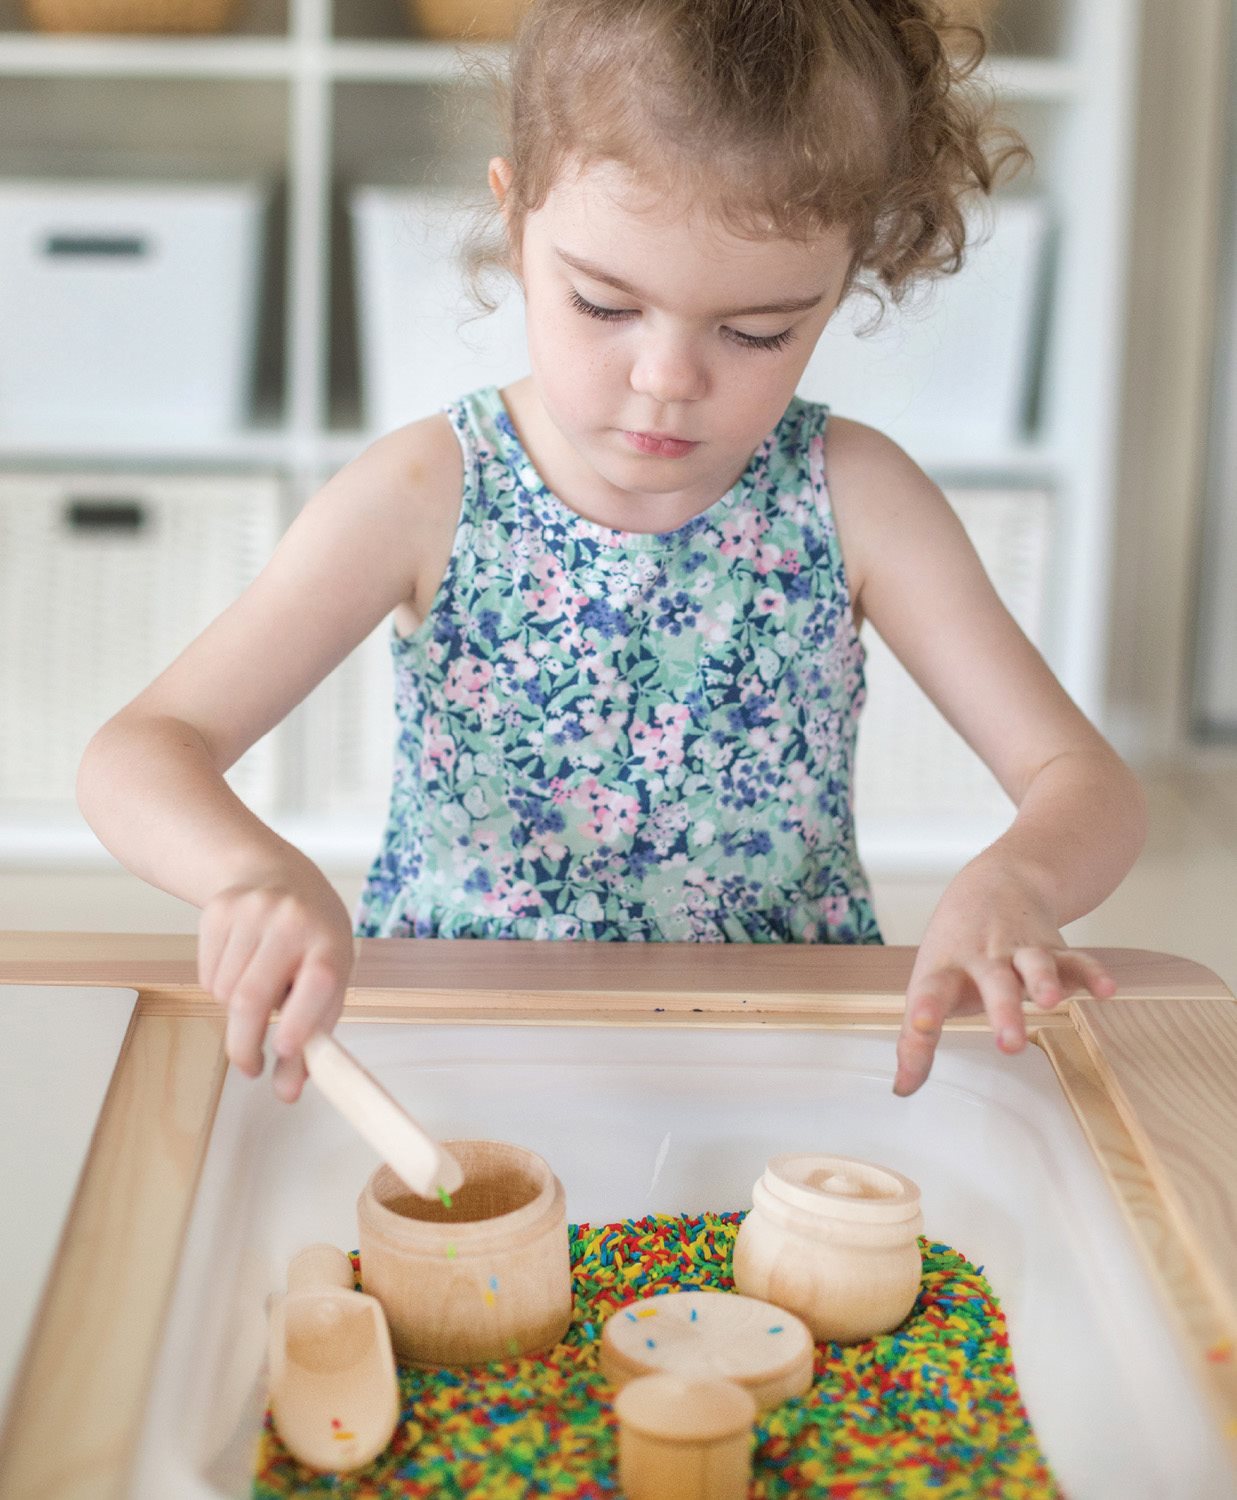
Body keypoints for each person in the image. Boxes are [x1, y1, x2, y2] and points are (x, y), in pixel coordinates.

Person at [76, 0, 1146, 1107]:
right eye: (603, 303)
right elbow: (143, 749)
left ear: (845, 275)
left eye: (756, 330)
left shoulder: (858, 498)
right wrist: (250, 875)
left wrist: (1017, 877)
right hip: (457, 1056)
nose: (668, 379)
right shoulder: (424, 492)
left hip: (777, 1059)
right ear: (514, 217)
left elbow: (1084, 782)